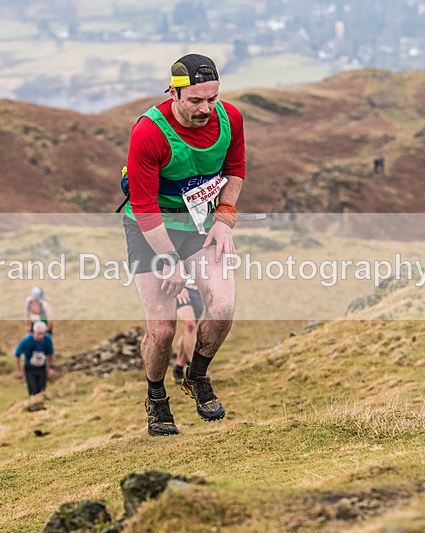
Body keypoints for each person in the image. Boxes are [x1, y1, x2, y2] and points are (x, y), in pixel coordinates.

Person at [122, 53, 245, 436]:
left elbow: (235, 171)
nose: (205, 109)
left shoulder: (231, 119)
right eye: (195, 100)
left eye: (212, 99)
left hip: (199, 223)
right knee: (162, 330)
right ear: (174, 92)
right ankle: (156, 398)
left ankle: (197, 376)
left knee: (223, 306)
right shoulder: (149, 132)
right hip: (151, 226)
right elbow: (143, 207)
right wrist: (170, 259)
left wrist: (225, 217)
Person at [172, 278, 204, 384]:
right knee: (190, 324)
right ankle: (195, 371)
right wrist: (177, 288)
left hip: (199, 289)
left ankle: (178, 368)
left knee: (188, 330)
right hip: (180, 286)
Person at [14, 321, 55, 401]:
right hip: (30, 369)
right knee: (33, 391)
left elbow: (50, 354)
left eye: (43, 333)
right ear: (34, 332)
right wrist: (19, 370)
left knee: (41, 390)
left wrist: (51, 368)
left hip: (42, 368)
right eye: (39, 334)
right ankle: (32, 406)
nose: (41, 336)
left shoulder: (47, 339)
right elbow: (17, 355)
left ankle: (41, 409)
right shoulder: (27, 340)